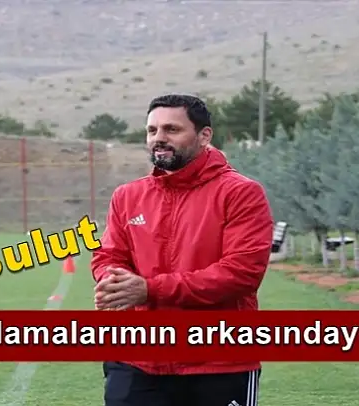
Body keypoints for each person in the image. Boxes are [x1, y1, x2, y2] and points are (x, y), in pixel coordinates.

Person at [91, 94, 274, 406]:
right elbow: (109, 255)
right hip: (137, 360)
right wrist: (114, 281)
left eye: (172, 129)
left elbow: (240, 274)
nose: (159, 138)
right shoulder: (127, 195)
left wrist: (149, 289)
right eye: (152, 130)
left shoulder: (241, 193)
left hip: (218, 362)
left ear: (204, 135)